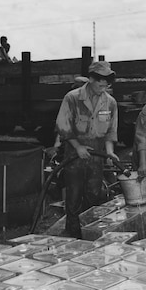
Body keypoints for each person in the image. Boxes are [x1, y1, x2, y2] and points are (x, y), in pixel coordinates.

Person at [55, 61, 120, 238]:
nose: (104, 85)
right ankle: (73, 233)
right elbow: (63, 126)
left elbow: (111, 130)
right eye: (100, 80)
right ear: (91, 78)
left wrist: (109, 151)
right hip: (74, 151)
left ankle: (89, 233)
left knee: (94, 193)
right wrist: (78, 147)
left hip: (97, 152)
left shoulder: (110, 102)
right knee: (74, 194)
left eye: (107, 81)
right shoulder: (73, 98)